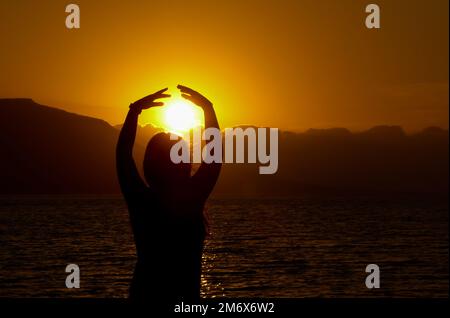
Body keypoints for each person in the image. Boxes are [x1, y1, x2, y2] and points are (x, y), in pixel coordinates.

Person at [116, 85, 221, 301]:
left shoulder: (141, 200)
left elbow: (123, 155)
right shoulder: (192, 199)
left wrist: (134, 111)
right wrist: (208, 110)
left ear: (149, 163)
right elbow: (214, 155)